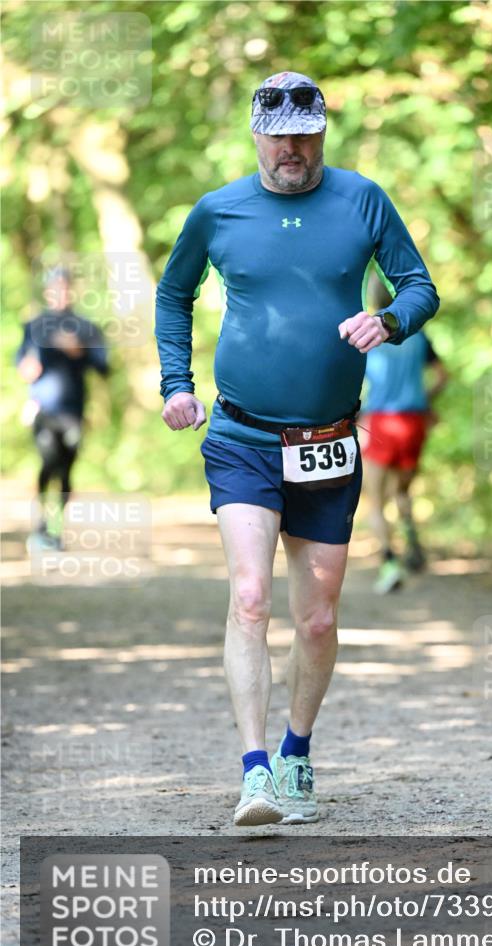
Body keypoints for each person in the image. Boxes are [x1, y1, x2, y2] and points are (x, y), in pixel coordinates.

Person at [155, 70, 439, 827]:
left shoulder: (361, 199)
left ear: (322, 134)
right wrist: (175, 383)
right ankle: (254, 776)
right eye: (279, 134)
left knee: (315, 618)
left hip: (328, 443)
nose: (293, 148)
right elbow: (172, 293)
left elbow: (418, 286)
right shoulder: (217, 212)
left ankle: (296, 755)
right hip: (242, 435)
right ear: (255, 134)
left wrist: (391, 323)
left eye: (306, 134)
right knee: (249, 597)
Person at [361, 271, 447, 594]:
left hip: (381, 421)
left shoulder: (367, 334)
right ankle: (413, 544)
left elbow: (354, 381)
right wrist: (426, 402)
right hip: (414, 422)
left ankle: (389, 563)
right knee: (403, 491)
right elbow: (441, 376)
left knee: (375, 500)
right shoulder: (418, 335)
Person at [16, 266, 109, 550]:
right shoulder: (34, 326)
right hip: (43, 410)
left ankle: (57, 530)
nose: (62, 292)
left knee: (66, 472)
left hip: (73, 412)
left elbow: (104, 367)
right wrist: (27, 368)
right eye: (56, 287)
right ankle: (41, 526)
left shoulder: (86, 327)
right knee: (47, 463)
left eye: (66, 286)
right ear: (47, 291)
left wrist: (79, 351)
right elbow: (23, 365)